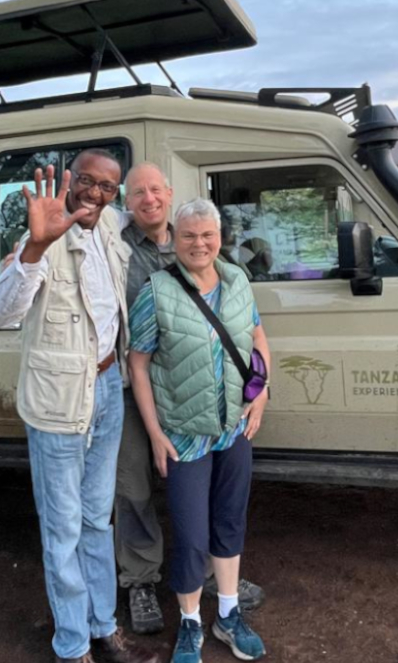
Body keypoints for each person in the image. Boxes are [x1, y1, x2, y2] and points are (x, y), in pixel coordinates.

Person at [0, 150, 158, 663]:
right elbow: (1, 313)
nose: (94, 193)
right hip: (59, 402)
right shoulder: (43, 237)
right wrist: (36, 245)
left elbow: (146, 210)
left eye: (107, 187)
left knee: (97, 521)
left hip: (108, 388)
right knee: (62, 528)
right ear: (70, 179)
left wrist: (170, 214)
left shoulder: (110, 226)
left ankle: (104, 626)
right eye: (86, 181)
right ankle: (72, 644)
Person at [116, 164, 265, 636]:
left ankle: (214, 581)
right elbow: (137, 357)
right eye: (138, 192)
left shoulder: (226, 271)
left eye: (155, 189)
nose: (148, 198)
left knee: (217, 506)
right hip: (138, 388)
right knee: (135, 487)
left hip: (207, 397)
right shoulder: (116, 247)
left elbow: (253, 335)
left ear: (169, 193)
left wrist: (260, 389)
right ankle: (141, 580)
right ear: (127, 201)